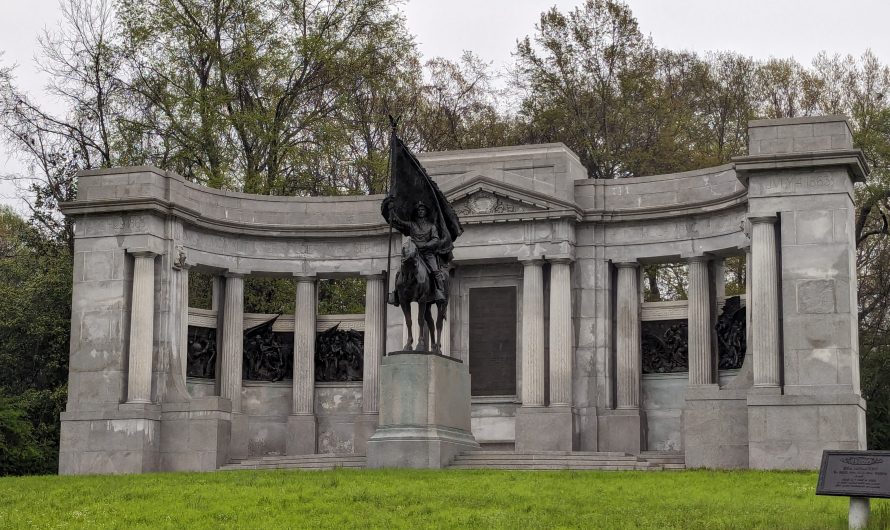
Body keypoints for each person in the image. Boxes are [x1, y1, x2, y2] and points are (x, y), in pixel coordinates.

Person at [384, 198, 450, 306]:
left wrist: (425, 245)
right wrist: (391, 210)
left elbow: (436, 239)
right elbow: (398, 221)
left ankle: (439, 292)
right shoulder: (412, 224)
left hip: (428, 253)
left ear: (426, 212)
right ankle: (396, 294)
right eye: (419, 210)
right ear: (416, 212)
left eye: (423, 210)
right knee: (400, 272)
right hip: (414, 253)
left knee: (436, 271)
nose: (421, 212)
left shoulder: (431, 226)